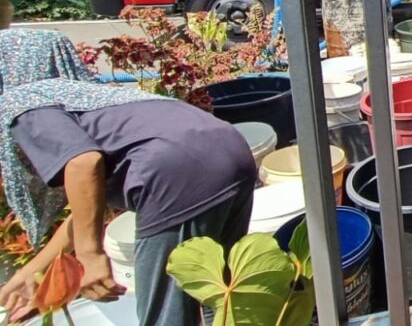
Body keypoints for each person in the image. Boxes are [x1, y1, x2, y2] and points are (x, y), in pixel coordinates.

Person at [0, 29, 257, 326]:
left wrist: (90, 255)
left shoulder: (21, 103)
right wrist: (31, 271)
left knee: (166, 318)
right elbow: (87, 204)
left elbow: (84, 164)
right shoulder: (84, 94)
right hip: (228, 151)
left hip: (175, 177)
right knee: (222, 299)